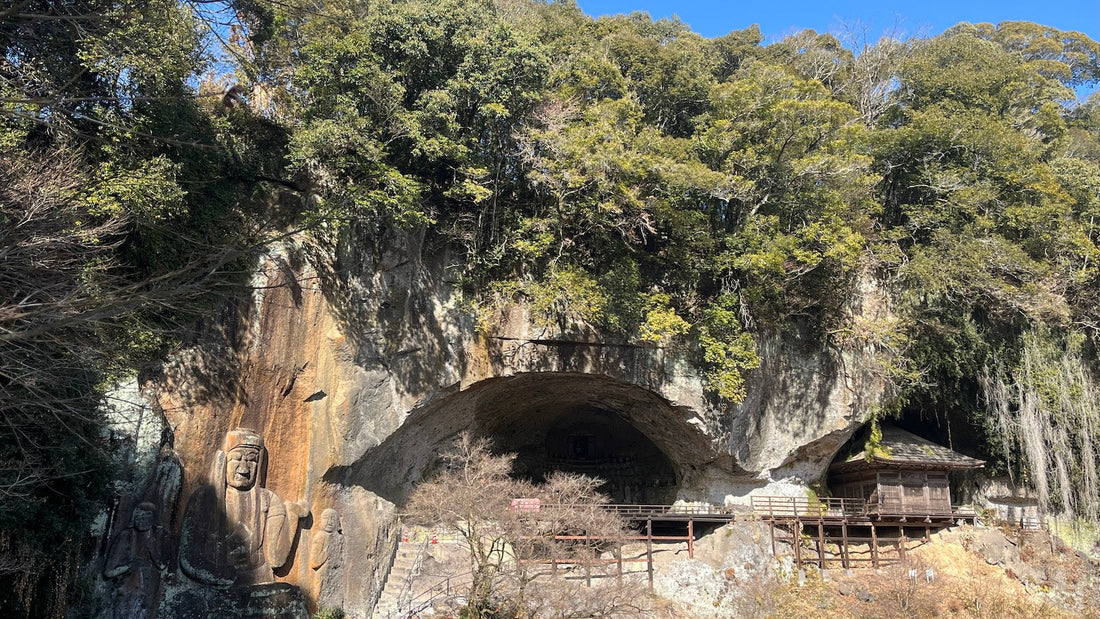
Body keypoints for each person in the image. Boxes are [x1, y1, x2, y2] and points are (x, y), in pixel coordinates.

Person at [179, 428, 308, 588]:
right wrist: (218, 575)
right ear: (224, 460)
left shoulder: (268, 499)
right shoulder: (205, 497)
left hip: (258, 582)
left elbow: (276, 559)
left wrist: (292, 516)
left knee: (289, 595)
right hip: (213, 583)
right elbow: (188, 557)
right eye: (237, 458)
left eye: (252, 460)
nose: (244, 468)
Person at [104, 502, 167, 618]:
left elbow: (162, 565)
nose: (141, 521)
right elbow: (109, 572)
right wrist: (130, 565)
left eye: (146, 517)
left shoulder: (157, 537)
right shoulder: (126, 536)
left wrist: (151, 544)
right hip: (128, 591)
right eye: (138, 517)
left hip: (149, 592)